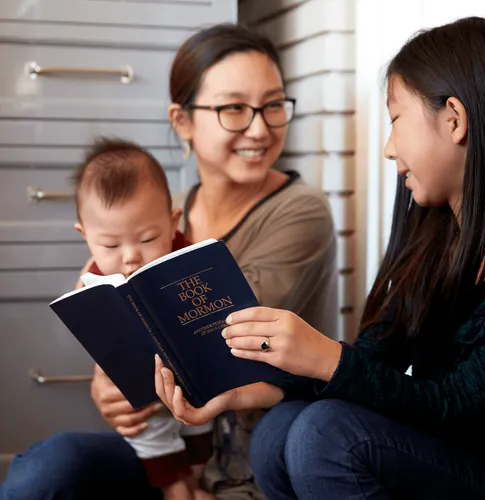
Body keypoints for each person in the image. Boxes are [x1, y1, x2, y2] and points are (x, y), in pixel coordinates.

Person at [154, 16, 485, 500]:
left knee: (327, 432)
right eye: (234, 108)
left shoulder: (300, 211)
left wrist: (326, 357)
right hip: (440, 449)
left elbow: (455, 406)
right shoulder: (434, 237)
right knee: (282, 429)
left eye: (395, 120)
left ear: (455, 120)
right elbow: (375, 360)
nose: (386, 148)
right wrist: (244, 393)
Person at [0, 24, 338, 500]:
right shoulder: (154, 215)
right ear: (182, 121)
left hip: (251, 447)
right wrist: (110, 387)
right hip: (164, 443)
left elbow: (221, 341)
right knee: (44, 470)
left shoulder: (301, 210)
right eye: (234, 108)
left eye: (273, 104)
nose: (260, 128)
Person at [78, 137, 217, 500]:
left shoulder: (187, 257)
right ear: (85, 237)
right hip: (143, 396)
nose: (130, 257)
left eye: (148, 238)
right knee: (161, 455)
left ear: (173, 223)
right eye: (109, 245)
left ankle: (197, 482)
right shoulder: (92, 280)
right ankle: (178, 490)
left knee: (201, 445)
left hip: (197, 386)